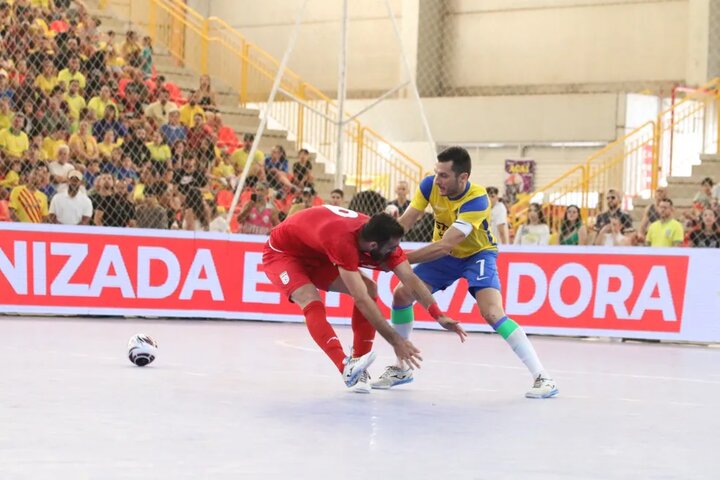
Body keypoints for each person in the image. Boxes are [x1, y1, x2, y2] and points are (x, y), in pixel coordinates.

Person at [373, 146, 557, 398]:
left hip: (476, 255)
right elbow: (406, 221)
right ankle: (401, 368)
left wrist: (397, 260)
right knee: (401, 295)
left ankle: (543, 377)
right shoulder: (429, 186)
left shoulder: (477, 199)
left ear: (463, 178)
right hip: (445, 257)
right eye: (436, 173)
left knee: (492, 313)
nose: (437, 180)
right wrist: (386, 243)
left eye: (444, 176)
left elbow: (447, 244)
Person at [262, 206, 466, 393]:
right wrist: (396, 340)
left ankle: (359, 364)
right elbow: (360, 299)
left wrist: (438, 314)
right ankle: (345, 367)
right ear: (373, 245)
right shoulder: (342, 242)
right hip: (283, 253)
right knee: (310, 298)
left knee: (370, 288)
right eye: (391, 248)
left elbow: (410, 279)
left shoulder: (383, 238)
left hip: (317, 251)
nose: (395, 252)